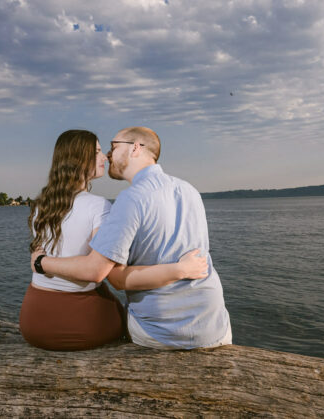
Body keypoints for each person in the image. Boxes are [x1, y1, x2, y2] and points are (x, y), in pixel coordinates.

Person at [32, 126, 231, 349]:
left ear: (135, 148)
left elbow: (113, 277)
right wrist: (181, 269)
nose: (107, 155)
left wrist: (40, 262)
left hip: (159, 332)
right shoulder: (190, 190)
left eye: (112, 147)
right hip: (215, 327)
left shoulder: (130, 199)